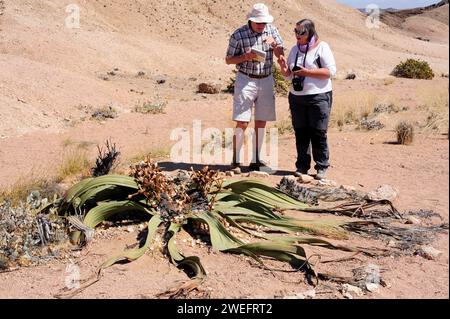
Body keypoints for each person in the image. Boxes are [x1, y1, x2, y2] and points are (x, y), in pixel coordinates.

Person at [225, 3, 284, 173]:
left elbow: (281, 54)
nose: (261, 25)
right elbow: (229, 59)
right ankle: (235, 160)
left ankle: (256, 159)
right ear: (251, 20)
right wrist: (246, 56)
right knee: (242, 121)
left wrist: (275, 46)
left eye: (264, 22)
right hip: (246, 79)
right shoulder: (238, 35)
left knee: (261, 121)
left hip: (266, 79)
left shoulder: (272, 31)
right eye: (258, 22)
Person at [277, 19, 336, 180]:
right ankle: (302, 166)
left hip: (319, 96)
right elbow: (289, 76)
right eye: (295, 31)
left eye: (301, 32)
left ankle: (322, 167)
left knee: (318, 132)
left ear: (310, 32)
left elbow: (330, 72)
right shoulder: (295, 50)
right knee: (301, 132)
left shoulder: (322, 47)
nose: (297, 35)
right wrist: (283, 67)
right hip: (297, 98)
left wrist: (307, 73)